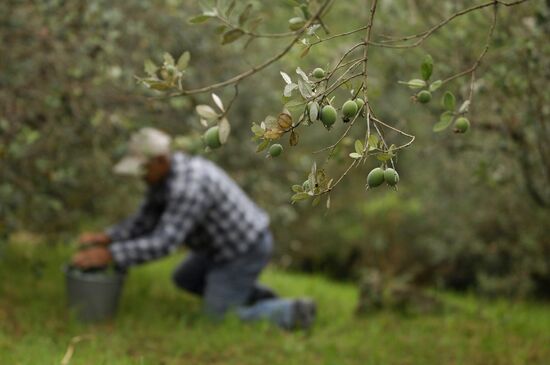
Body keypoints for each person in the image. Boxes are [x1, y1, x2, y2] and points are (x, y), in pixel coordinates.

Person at [72, 127, 316, 330]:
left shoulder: (188, 186)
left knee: (217, 320)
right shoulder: (161, 177)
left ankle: (291, 312)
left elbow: (164, 243)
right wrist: (107, 237)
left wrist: (111, 254)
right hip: (214, 247)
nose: (141, 175)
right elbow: (145, 221)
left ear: (160, 160)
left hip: (242, 249)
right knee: (184, 278)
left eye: (143, 167)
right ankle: (252, 296)